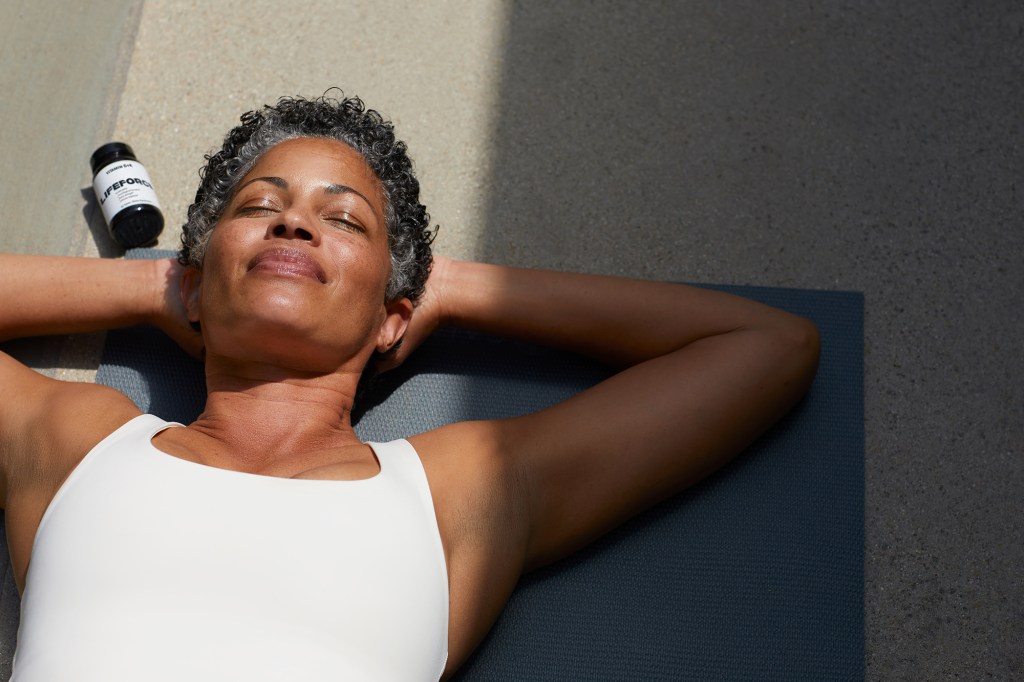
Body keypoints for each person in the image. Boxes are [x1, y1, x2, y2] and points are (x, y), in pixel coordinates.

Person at [0, 93, 820, 681]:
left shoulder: (459, 493)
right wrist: (156, 286)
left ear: (395, 315)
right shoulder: (75, 445)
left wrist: (455, 289)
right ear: (199, 280)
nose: (294, 222)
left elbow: (762, 347)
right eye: (260, 207)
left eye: (344, 219)